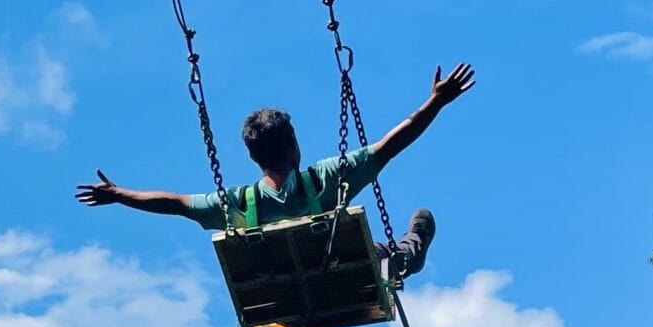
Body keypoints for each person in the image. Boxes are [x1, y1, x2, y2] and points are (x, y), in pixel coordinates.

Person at [74, 62, 475, 278]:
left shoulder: (238, 204)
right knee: (391, 258)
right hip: (345, 277)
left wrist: (119, 195)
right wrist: (435, 103)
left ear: (253, 158)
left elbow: (175, 203)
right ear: (295, 147)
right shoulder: (326, 179)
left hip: (279, 297)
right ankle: (411, 251)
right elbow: (391, 146)